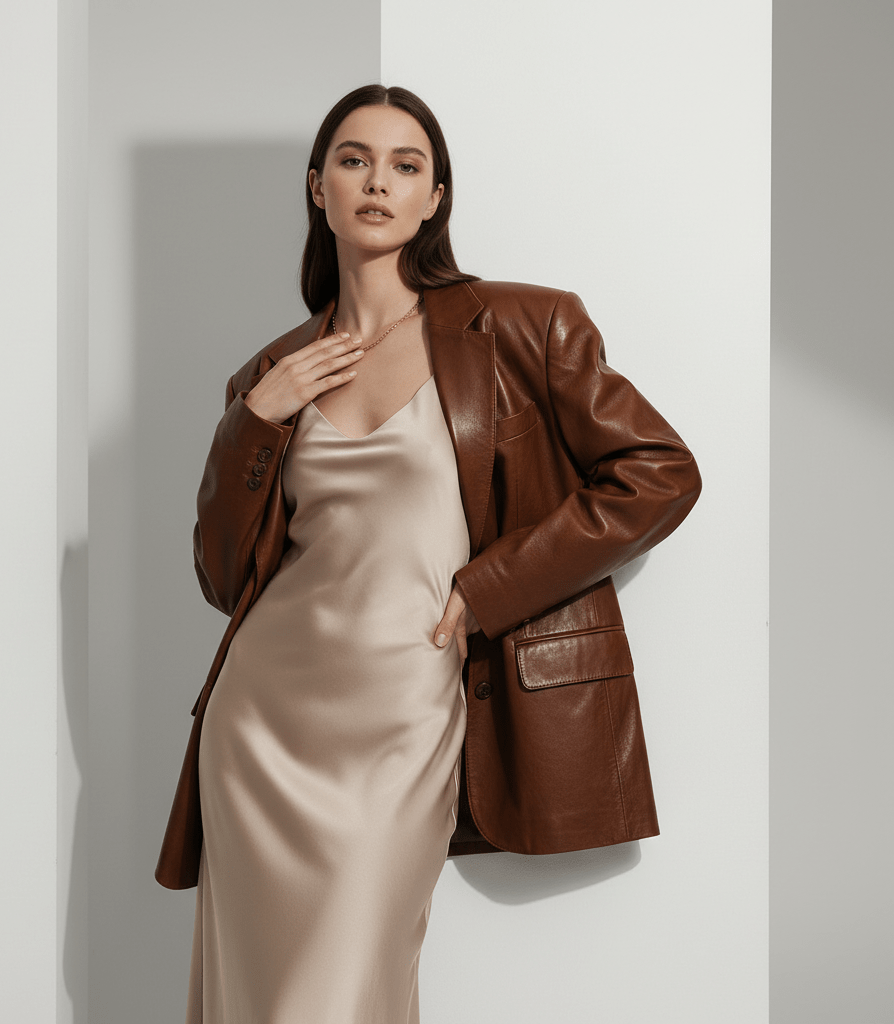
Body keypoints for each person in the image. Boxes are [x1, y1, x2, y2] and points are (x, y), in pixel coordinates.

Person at [158, 83, 702, 1024]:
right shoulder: (272, 372)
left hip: (407, 704)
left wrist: (492, 588)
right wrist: (254, 420)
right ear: (318, 187)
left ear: (434, 198)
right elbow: (222, 577)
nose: (379, 182)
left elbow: (660, 472)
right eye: (354, 160)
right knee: (258, 995)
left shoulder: (521, 327)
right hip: (262, 720)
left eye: (406, 166)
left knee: (344, 988)